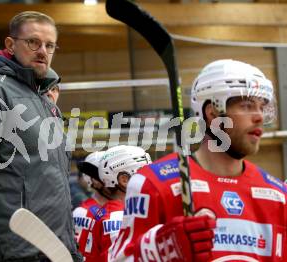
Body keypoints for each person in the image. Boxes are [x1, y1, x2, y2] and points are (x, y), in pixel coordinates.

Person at [110, 59, 287, 262]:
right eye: (246, 105)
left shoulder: (278, 195)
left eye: (262, 107)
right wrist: (160, 249)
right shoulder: (154, 183)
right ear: (212, 113)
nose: (259, 117)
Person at [0, 11, 80, 262]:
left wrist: (70, 247)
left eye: (50, 45)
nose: (42, 51)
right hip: (15, 250)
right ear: (11, 45)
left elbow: (53, 179)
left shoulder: (45, 100)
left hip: (56, 249)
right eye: (33, 42)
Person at [83, 145, 151, 262]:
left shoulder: (109, 212)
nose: (150, 177)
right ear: (124, 180)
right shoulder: (119, 217)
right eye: (144, 171)